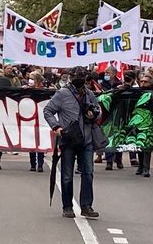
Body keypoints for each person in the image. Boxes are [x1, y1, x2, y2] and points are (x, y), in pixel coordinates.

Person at [44, 66, 101, 219]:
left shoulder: (89, 94)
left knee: (88, 173)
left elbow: (98, 110)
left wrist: (93, 114)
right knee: (67, 175)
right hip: (68, 139)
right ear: (70, 77)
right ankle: (67, 206)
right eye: (77, 76)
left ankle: (86, 206)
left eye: (82, 77)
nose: (80, 79)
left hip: (86, 139)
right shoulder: (62, 93)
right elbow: (48, 110)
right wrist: (56, 126)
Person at [136, 73, 153, 177]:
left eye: (145, 82)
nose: (143, 83)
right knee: (139, 144)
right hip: (138, 121)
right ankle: (140, 166)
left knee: (147, 145)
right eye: (142, 81)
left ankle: (146, 168)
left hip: (149, 121)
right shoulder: (138, 92)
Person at [27, 70, 47, 172]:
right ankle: (32, 164)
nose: (30, 80)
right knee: (31, 142)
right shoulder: (27, 90)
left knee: (41, 142)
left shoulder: (43, 90)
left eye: (32, 78)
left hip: (41, 119)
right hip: (30, 119)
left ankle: (40, 164)